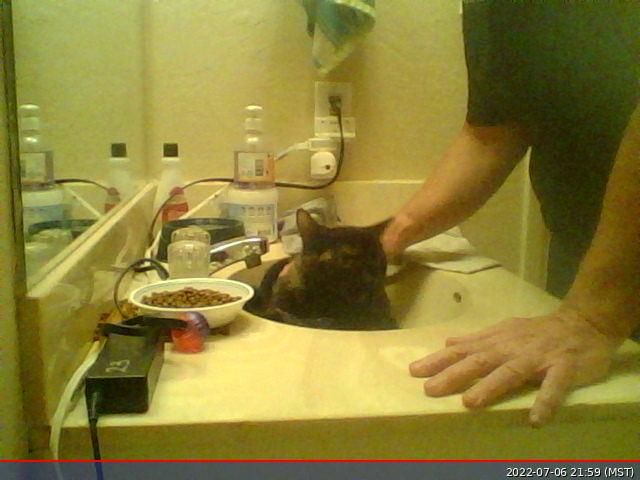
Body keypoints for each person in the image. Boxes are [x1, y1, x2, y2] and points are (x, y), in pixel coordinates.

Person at [381, 0, 640, 426]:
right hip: (582, 262)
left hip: (609, 292)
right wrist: (391, 238)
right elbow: (492, 135)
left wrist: (593, 318)